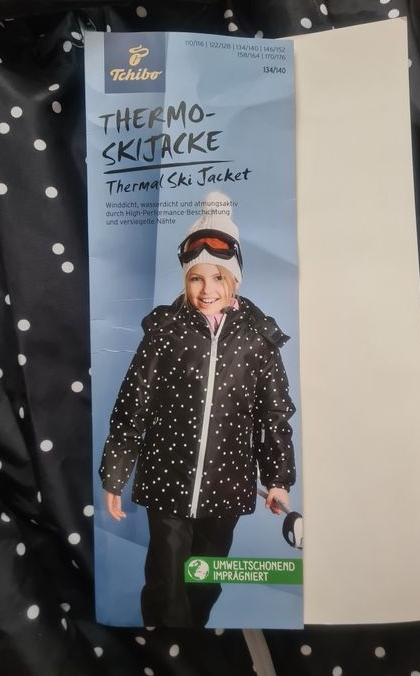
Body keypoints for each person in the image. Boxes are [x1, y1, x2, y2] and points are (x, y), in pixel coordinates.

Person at [99, 193, 296, 627]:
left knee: (205, 577)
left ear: (236, 279)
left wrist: (278, 478)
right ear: (185, 280)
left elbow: (274, 416)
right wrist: (115, 473)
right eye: (196, 279)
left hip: (227, 483)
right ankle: (166, 643)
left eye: (219, 277)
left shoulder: (258, 340)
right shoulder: (164, 332)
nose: (207, 290)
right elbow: (132, 405)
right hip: (167, 477)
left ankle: (194, 637)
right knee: (166, 578)